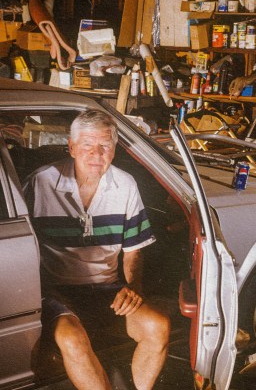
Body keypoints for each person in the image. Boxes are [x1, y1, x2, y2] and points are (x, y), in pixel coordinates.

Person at [23, 109, 171, 390]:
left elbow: (133, 251)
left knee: (158, 325)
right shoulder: (40, 182)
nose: (96, 153)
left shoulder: (125, 185)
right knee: (72, 339)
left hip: (106, 287)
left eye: (105, 145)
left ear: (114, 150)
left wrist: (133, 287)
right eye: (87, 145)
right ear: (72, 147)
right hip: (54, 291)